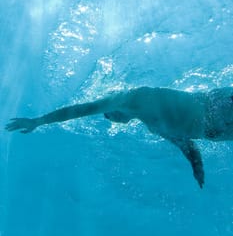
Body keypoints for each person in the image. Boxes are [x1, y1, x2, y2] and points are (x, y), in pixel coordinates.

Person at [5, 86, 233, 188]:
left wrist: (39, 121)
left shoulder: (134, 97)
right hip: (221, 128)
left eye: (107, 112)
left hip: (221, 105)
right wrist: (196, 166)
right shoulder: (153, 126)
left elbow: (80, 110)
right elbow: (186, 144)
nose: (108, 117)